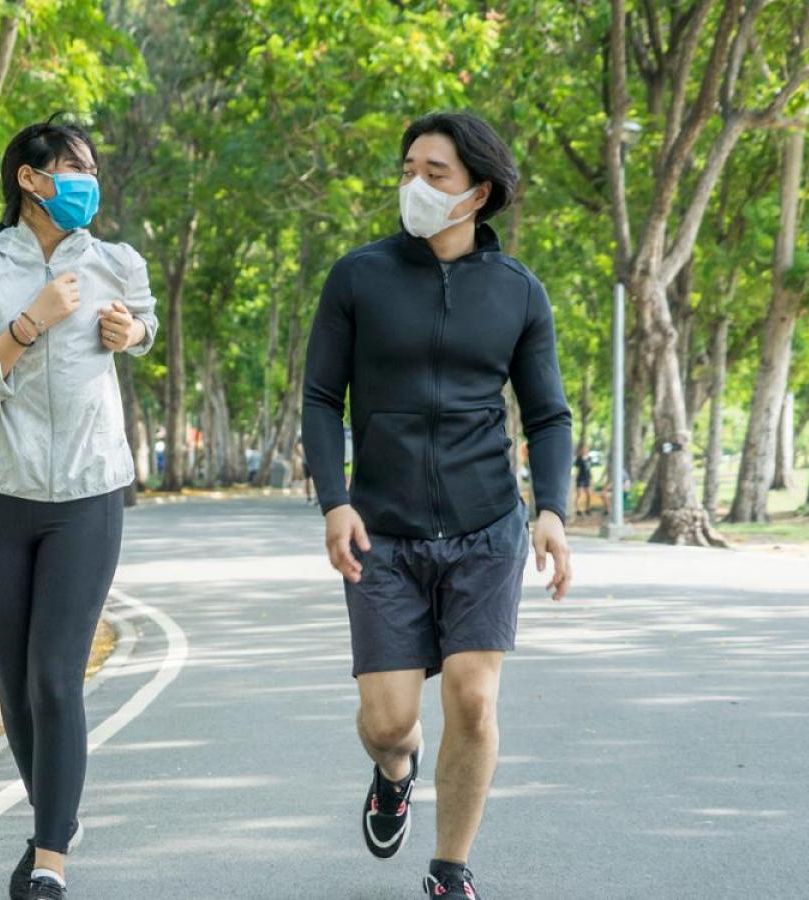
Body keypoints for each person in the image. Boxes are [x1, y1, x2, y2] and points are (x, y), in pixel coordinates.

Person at [302, 111, 574, 900]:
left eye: (435, 173)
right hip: (381, 532)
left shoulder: (517, 291)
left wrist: (550, 510)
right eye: (408, 169)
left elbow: (548, 413)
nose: (413, 186)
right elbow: (323, 397)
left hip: (487, 525)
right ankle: (396, 771)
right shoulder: (359, 276)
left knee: (474, 698)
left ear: (477, 193)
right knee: (388, 722)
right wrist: (334, 501)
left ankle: (450, 869)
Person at [0, 116, 157, 900]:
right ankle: (57, 811)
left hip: (90, 494)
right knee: (15, 684)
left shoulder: (117, 262)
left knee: (56, 676)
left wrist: (130, 332)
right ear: (30, 180)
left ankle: (49, 862)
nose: (85, 181)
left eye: (91, 169)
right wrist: (30, 323)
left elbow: (144, 329)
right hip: (0, 496)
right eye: (70, 168)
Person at [573, 446, 594, 515]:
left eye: (586, 449)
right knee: (579, 494)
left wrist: (591, 477)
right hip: (581, 478)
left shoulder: (589, 458)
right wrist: (576, 478)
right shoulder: (579, 459)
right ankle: (578, 509)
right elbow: (577, 469)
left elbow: (589, 468)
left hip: (587, 478)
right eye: (583, 449)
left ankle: (587, 509)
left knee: (589, 494)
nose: (585, 450)